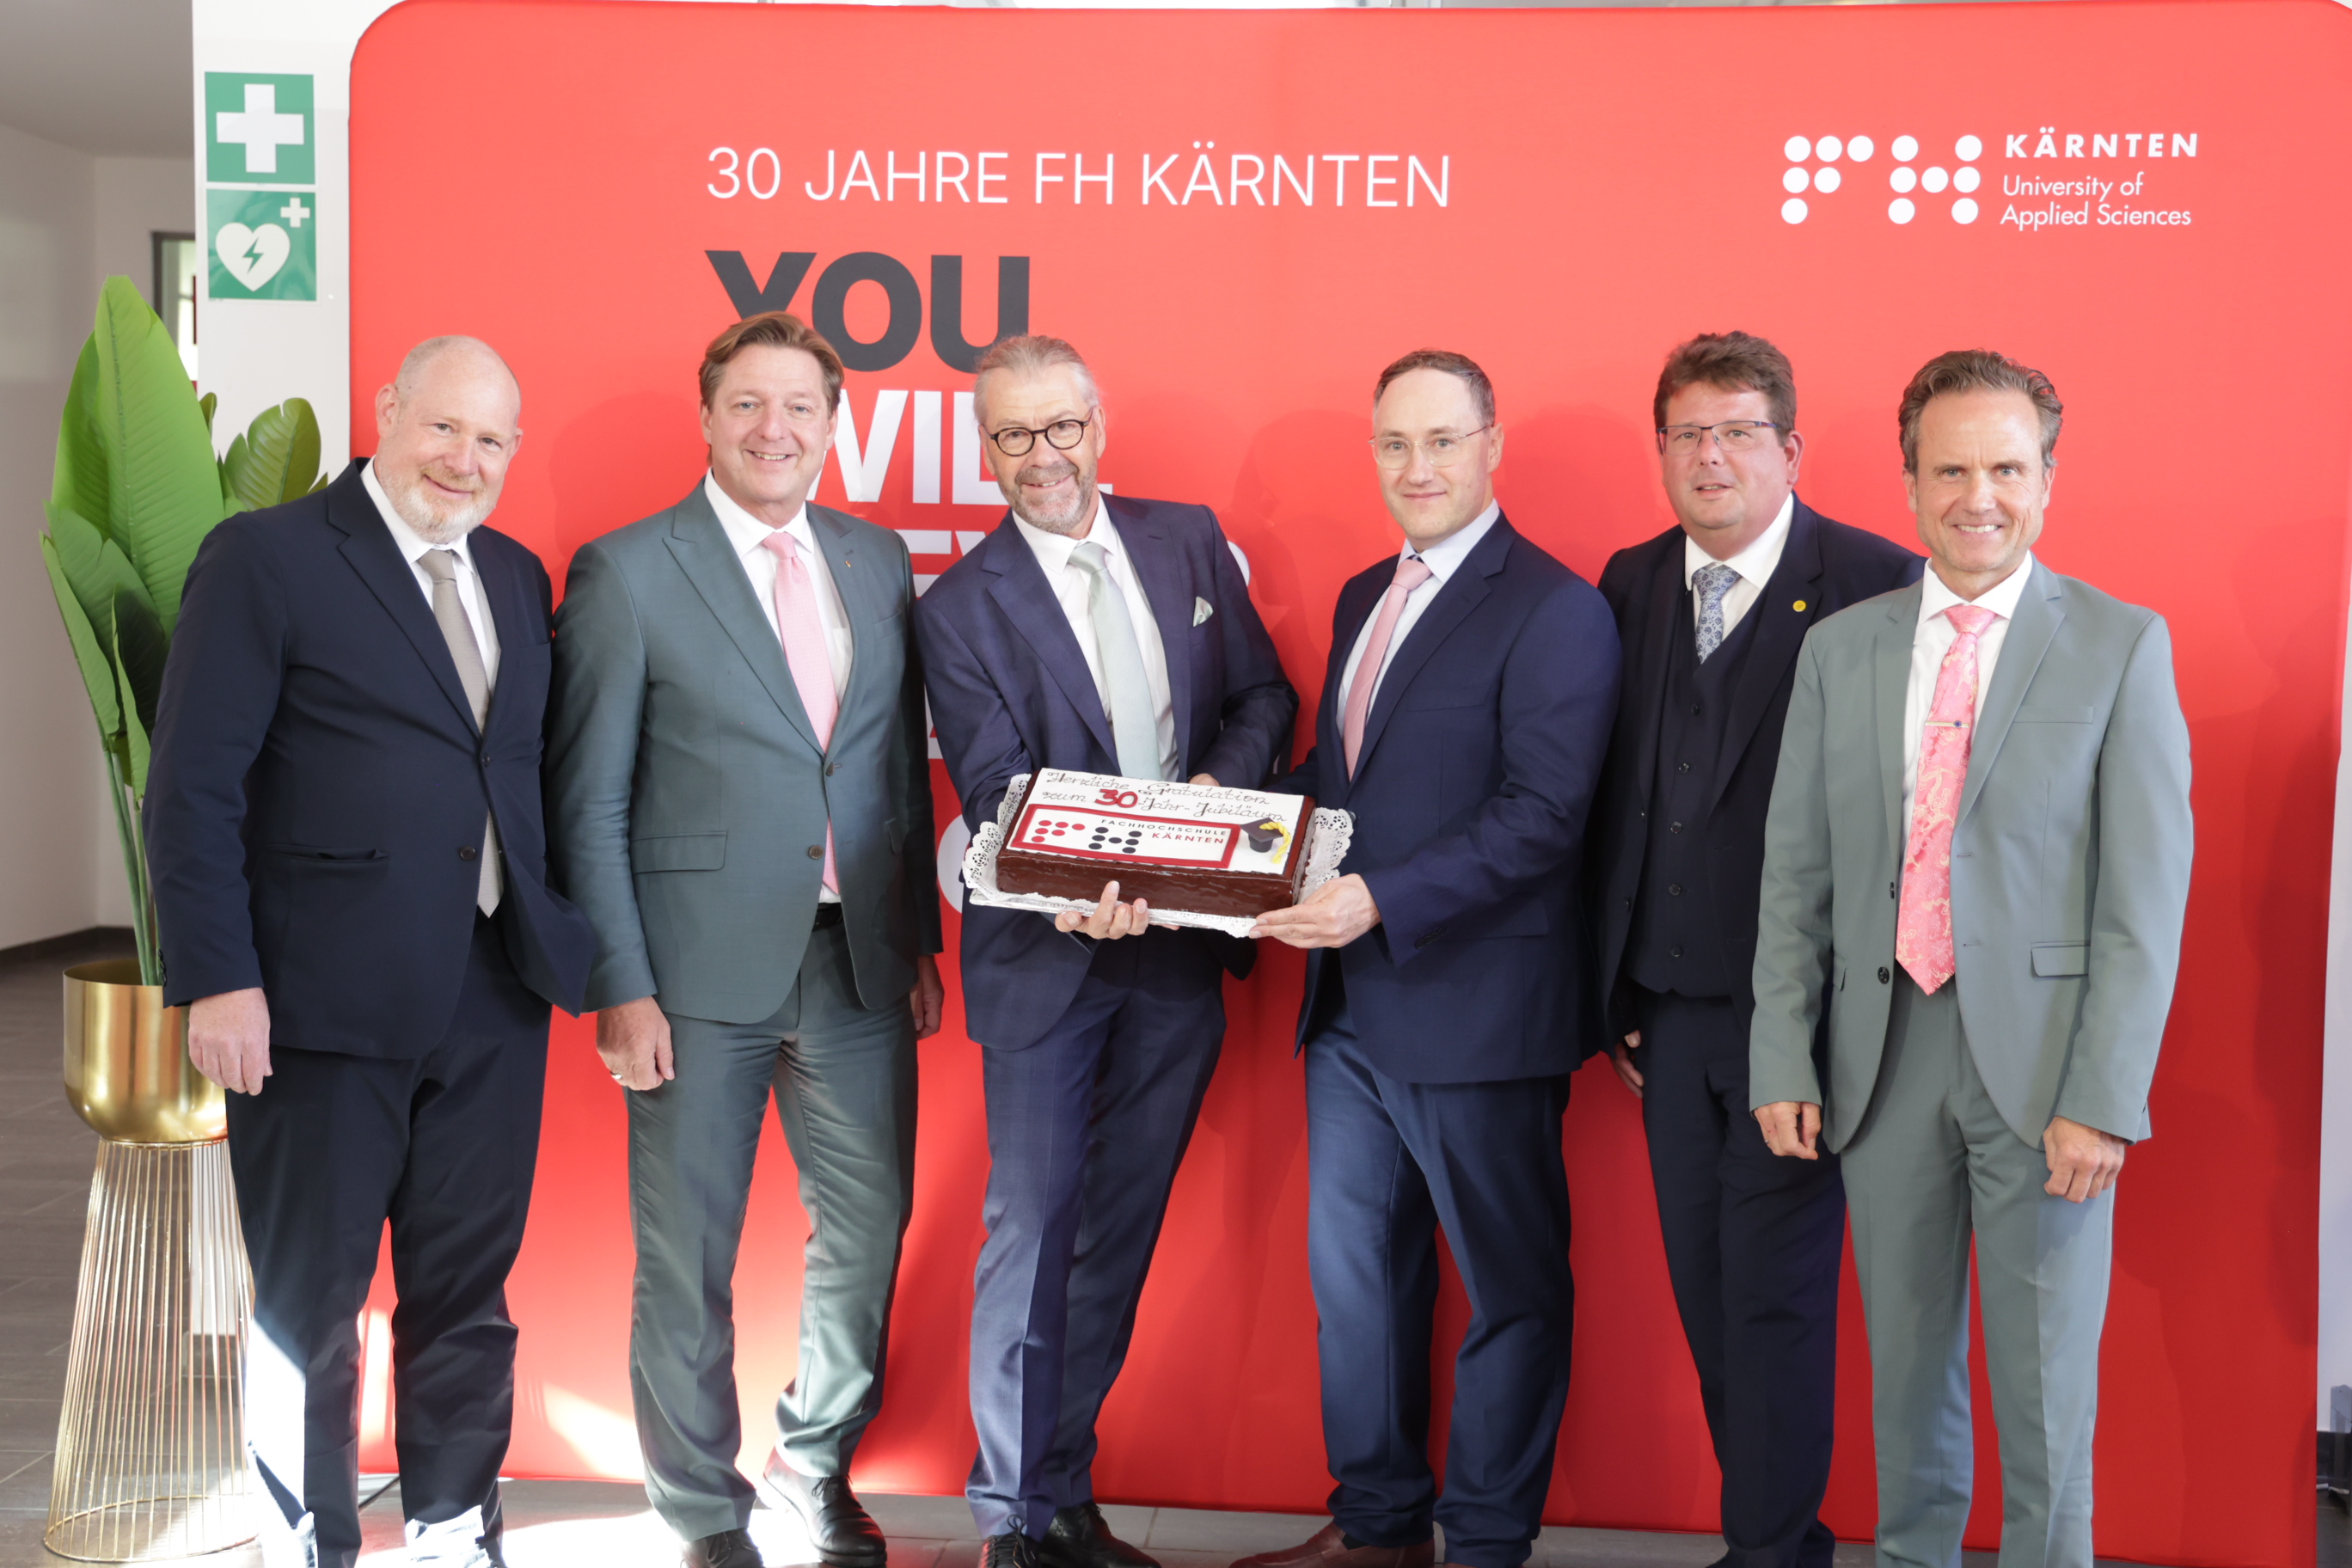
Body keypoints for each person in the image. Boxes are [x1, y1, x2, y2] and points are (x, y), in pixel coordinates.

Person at [145, 337, 595, 1568]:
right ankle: (313, 1541)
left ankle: (453, 1524)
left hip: (493, 992)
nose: (464, 460)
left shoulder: (514, 575)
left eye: (491, 440)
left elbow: (514, 774)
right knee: (311, 1307)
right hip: (315, 1003)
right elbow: (192, 788)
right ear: (387, 412)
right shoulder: (268, 556)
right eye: (444, 427)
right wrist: (218, 979)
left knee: (466, 1294)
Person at [1749, 350, 2192, 1568]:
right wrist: (1783, 1050)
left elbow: (2144, 902)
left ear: (2047, 480)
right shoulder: (1842, 650)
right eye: (1950, 471)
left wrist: (2104, 1097)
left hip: (2047, 1082)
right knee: (1904, 1376)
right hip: (1880, 1061)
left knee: (2045, 1392)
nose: (1977, 496)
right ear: (1909, 484)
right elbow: (1794, 874)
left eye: (2006, 468)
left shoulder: (2119, 645)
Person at [545, 312, 943, 1568]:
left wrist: (918, 939)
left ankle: (811, 1470)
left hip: (858, 963)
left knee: (867, 1239)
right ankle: (704, 1516)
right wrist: (620, 983)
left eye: (801, 407)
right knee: (688, 1261)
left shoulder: (876, 558)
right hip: (691, 977)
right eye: (749, 405)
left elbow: (892, 765)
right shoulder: (627, 571)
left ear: (834, 424)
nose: (776, 429)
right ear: (708, 417)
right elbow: (588, 801)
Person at [914, 334, 1296, 1568]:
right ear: (986, 450)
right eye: (1014, 435)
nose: (1044, 456)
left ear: (1098, 425)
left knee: (1117, 1236)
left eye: (1062, 427)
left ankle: (1065, 1496)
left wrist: (1208, 795)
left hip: (1179, 957)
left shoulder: (1188, 542)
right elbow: (994, 786)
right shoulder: (959, 607)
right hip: (1049, 960)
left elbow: (1264, 699)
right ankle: (1013, 1522)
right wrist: (1077, 886)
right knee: (1031, 1237)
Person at [1239, 349, 1620, 1568]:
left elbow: (1544, 815)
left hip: (1479, 1009)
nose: (1419, 466)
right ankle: (1378, 1529)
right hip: (1350, 1010)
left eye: (1444, 440)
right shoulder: (1367, 593)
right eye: (1396, 444)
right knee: (1357, 1285)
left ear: (1492, 446)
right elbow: (1348, 786)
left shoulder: (1556, 608)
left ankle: (1488, 1544)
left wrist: (1378, 901)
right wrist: (1225, 833)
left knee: (1510, 1290)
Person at [1586, 332, 1919, 1568]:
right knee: (1709, 1295)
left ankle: (1772, 1552)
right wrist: (1616, 982)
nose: (1711, 456)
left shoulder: (1876, 582)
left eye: (1737, 431)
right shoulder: (1629, 582)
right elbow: (1617, 798)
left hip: (1806, 1026)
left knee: (1773, 1300)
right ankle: (1779, 1541)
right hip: (1667, 1019)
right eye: (1688, 434)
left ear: (1791, 448)